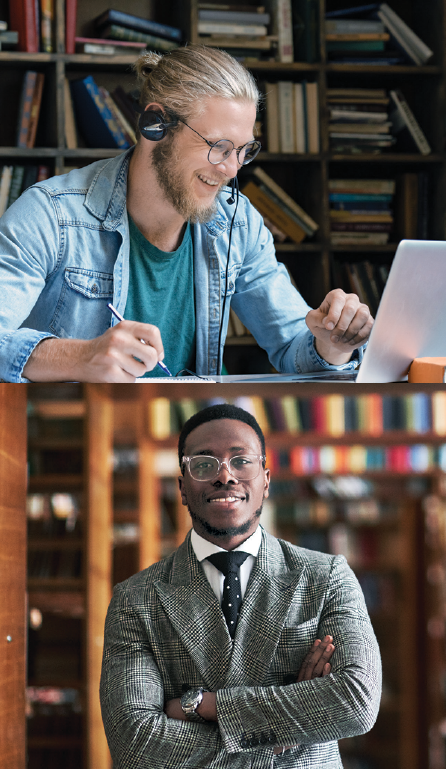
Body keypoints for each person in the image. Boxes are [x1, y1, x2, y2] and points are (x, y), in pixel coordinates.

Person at [0, 47, 373, 383]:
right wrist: (80, 357)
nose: (232, 170)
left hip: (199, 444)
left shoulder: (236, 221)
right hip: (78, 441)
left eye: (244, 150)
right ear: (155, 125)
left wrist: (332, 343)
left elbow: (294, 345)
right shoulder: (50, 214)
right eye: (219, 146)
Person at [99, 403, 381, 767]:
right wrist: (290, 729)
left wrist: (202, 705)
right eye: (204, 464)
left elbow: (357, 702)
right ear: (182, 487)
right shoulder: (135, 599)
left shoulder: (326, 577)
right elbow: (134, 742)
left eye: (241, 461)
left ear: (265, 480)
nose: (225, 477)